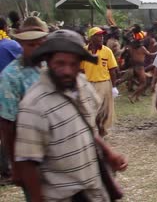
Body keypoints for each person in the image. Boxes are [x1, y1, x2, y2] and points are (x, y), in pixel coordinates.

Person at [14, 29, 127, 202]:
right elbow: (28, 163)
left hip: (94, 190)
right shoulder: (34, 105)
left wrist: (108, 152)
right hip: (63, 196)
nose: (67, 70)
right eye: (60, 63)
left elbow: (87, 128)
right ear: (48, 61)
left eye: (73, 64)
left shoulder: (82, 85)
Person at [0, 17, 49, 188]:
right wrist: (15, 166)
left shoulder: (52, 66)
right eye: (30, 44)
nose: (36, 48)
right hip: (30, 151)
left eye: (39, 43)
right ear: (20, 43)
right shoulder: (11, 76)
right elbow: (7, 124)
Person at [81, 27, 119, 137]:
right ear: (91, 38)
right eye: (98, 35)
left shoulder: (107, 51)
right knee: (90, 110)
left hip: (104, 84)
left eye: (102, 35)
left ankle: (101, 128)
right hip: (88, 84)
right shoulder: (83, 51)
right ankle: (94, 130)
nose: (101, 38)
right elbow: (80, 70)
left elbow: (112, 70)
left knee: (103, 110)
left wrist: (114, 87)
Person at [128, 39, 157, 103]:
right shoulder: (142, 48)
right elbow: (150, 54)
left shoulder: (132, 49)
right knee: (143, 83)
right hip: (140, 67)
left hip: (134, 66)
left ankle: (137, 97)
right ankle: (132, 96)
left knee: (142, 82)